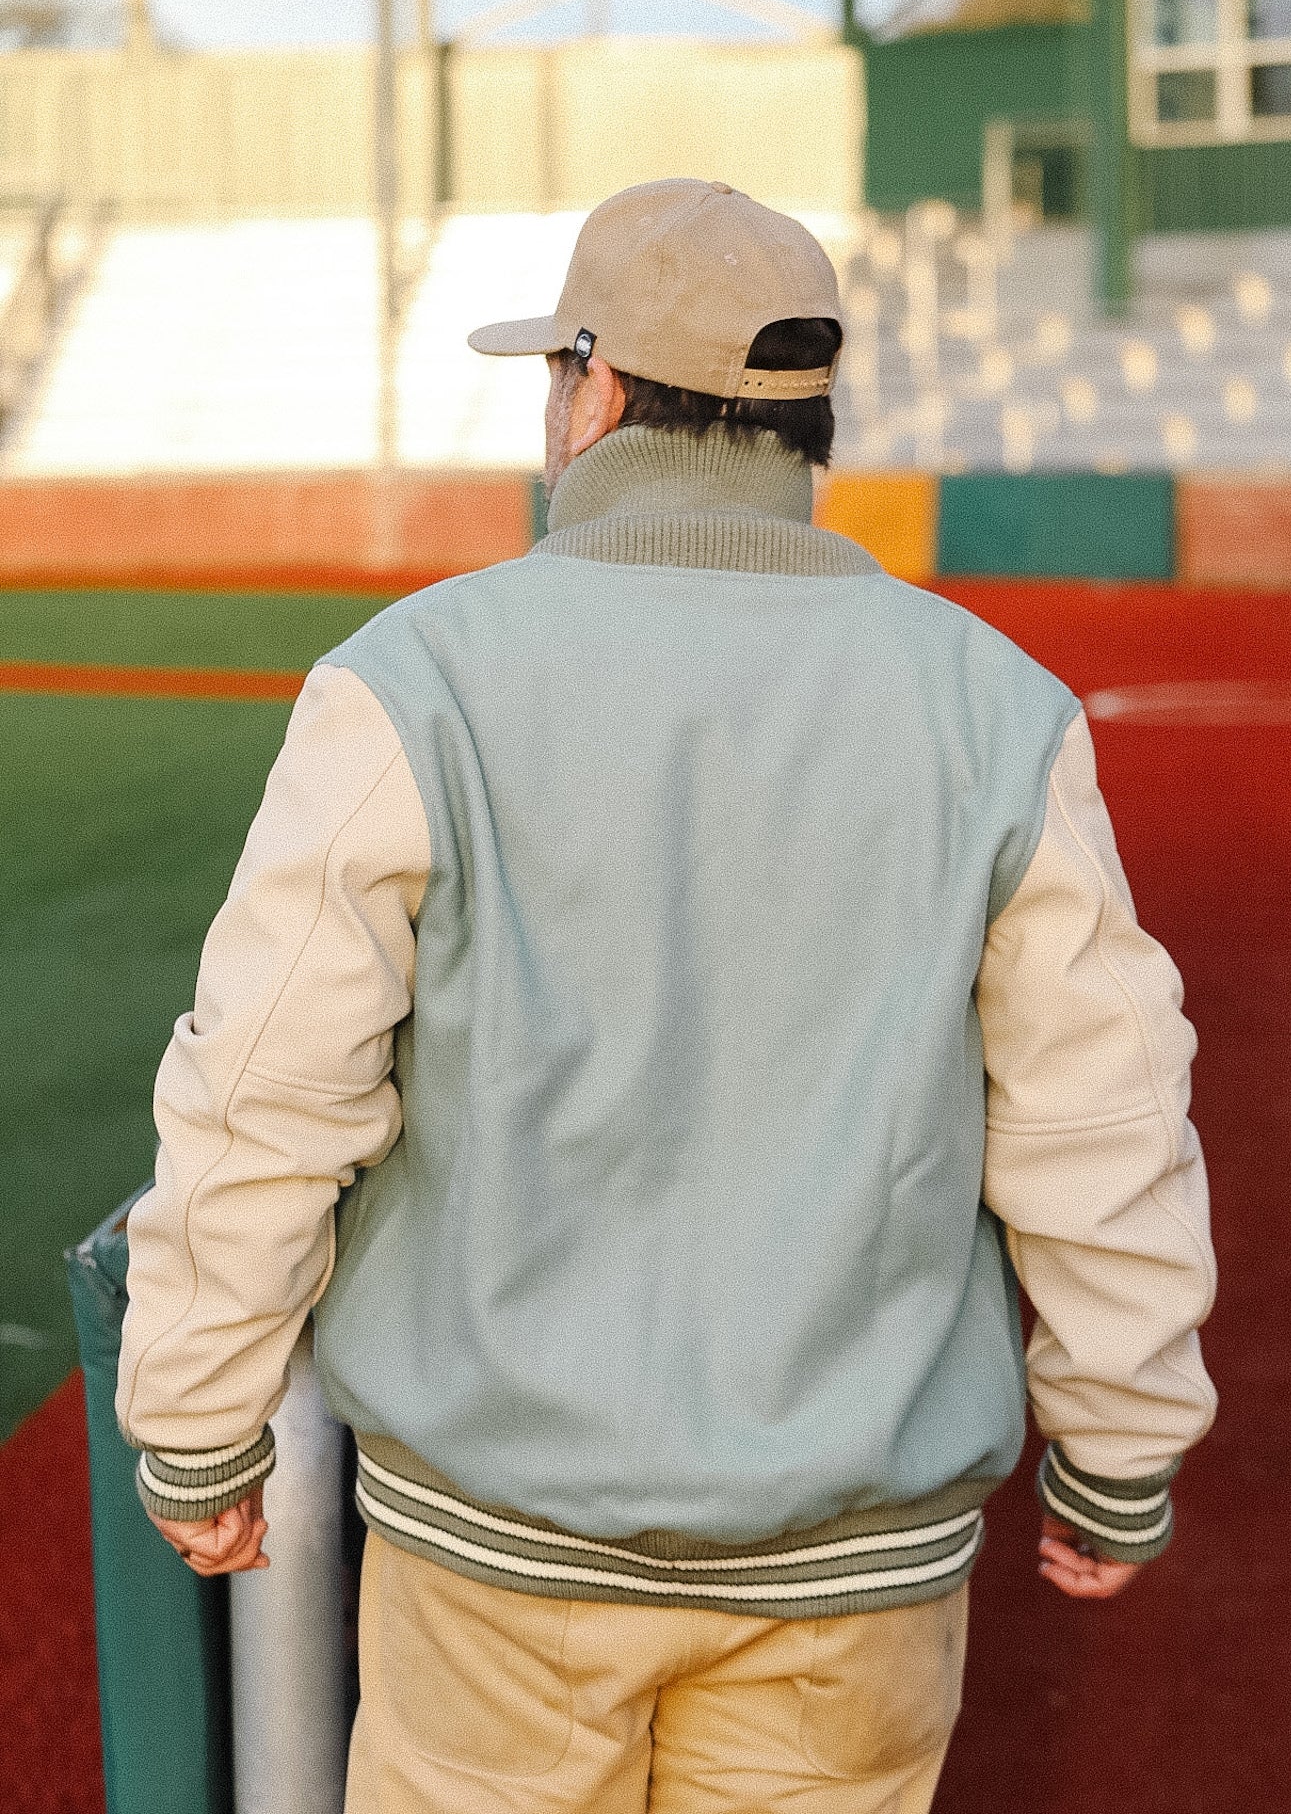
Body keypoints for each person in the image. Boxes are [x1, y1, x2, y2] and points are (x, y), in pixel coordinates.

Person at [117, 179, 1216, 1813]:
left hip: (502, 1555)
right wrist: (1120, 1445)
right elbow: (1099, 1118)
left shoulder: (412, 680)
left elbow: (268, 1084)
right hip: (855, 1564)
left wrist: (196, 1420)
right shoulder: (998, 709)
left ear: (599, 389)